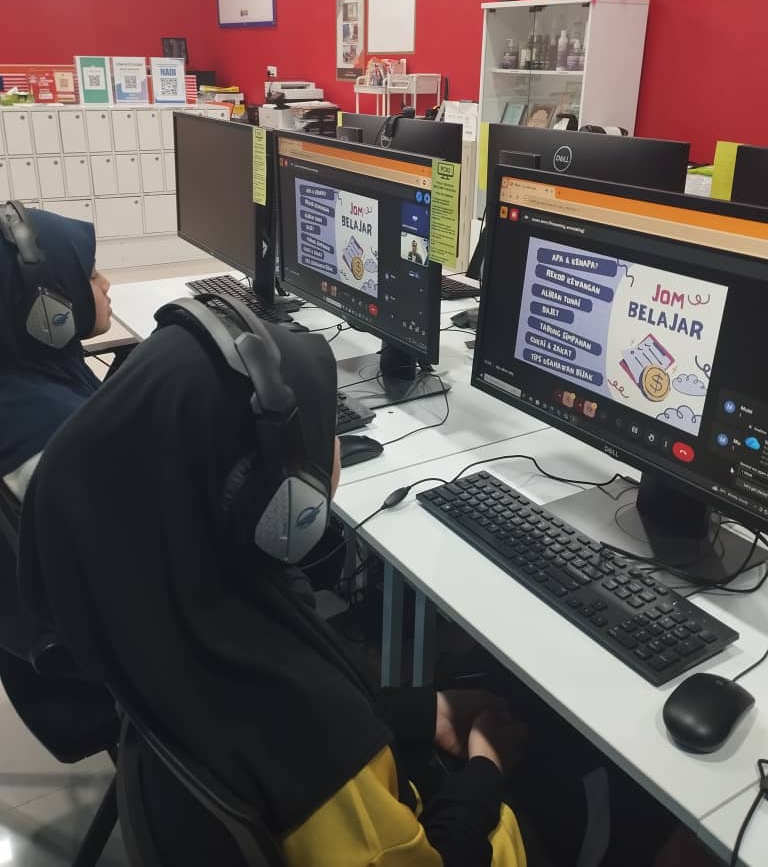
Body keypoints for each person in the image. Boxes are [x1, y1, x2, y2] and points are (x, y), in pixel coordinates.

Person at [19, 300, 529, 866]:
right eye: (323, 430)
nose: (333, 447)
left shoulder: (153, 604)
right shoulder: (318, 751)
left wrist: (420, 712)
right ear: (280, 500)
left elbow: (279, 724)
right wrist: (485, 771)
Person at [0, 202, 111, 500]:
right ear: (45, 308)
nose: (106, 284)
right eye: (91, 277)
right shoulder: (66, 446)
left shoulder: (22, 376)